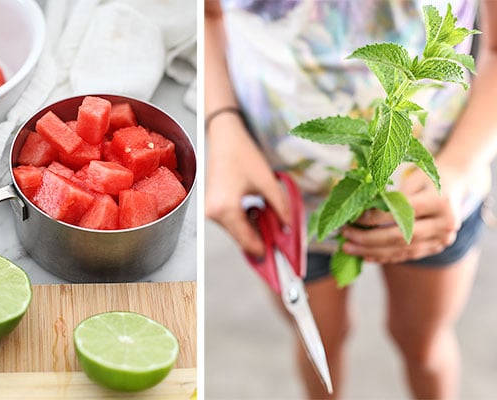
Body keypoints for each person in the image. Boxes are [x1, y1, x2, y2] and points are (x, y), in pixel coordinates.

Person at [205, 1, 497, 399]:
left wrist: (461, 166)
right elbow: (206, 15)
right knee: (319, 344)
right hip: (286, 199)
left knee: (422, 342)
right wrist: (221, 125)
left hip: (430, 198)